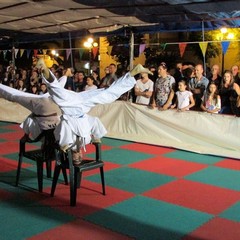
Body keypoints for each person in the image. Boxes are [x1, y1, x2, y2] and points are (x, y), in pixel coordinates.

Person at [36, 59, 151, 165]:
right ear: (82, 154)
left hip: (70, 105)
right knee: (108, 93)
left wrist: (64, 144)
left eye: (75, 157)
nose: (78, 155)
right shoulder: (85, 141)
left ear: (70, 155)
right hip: (82, 106)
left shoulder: (67, 144)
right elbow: (93, 120)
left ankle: (44, 68)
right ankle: (133, 72)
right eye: (79, 157)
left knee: (56, 90)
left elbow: (61, 128)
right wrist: (96, 135)